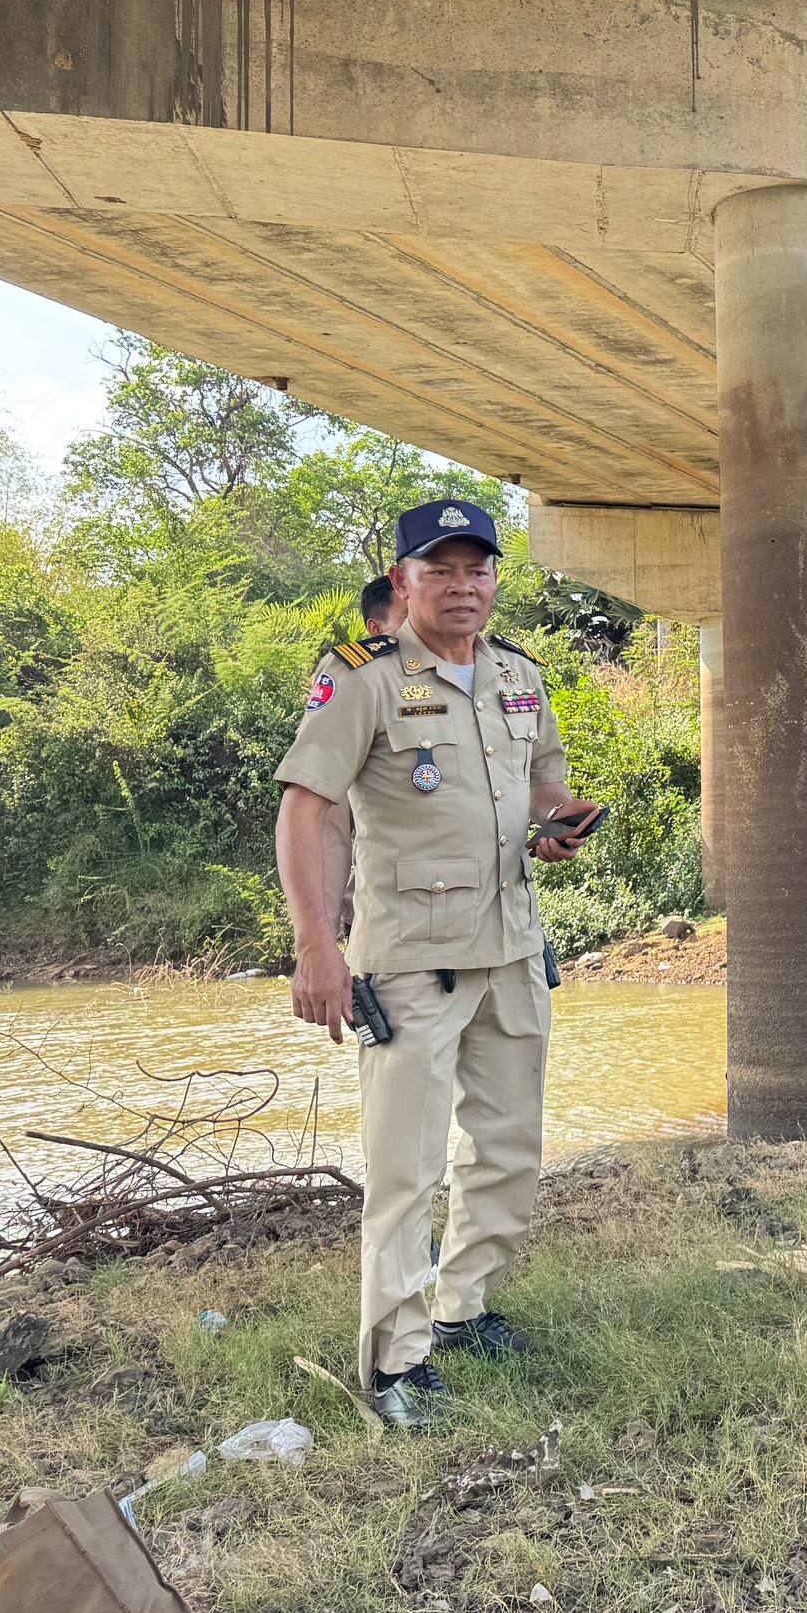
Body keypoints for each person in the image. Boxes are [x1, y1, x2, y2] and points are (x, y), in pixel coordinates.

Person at [274, 500, 599, 1428]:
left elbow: (542, 782)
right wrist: (316, 945)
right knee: (406, 1169)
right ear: (404, 581)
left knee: (508, 1148)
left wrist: (556, 824)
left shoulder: (519, 675)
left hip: (513, 949)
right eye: (441, 570)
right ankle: (395, 1364)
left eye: (477, 570)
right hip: (412, 962)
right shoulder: (363, 679)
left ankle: (463, 1309)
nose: (463, 587)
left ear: (495, 579)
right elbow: (307, 811)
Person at [319, 574, 409, 931]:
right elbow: (331, 827)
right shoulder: (357, 685)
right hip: (379, 913)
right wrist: (320, 935)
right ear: (375, 629)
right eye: (407, 617)